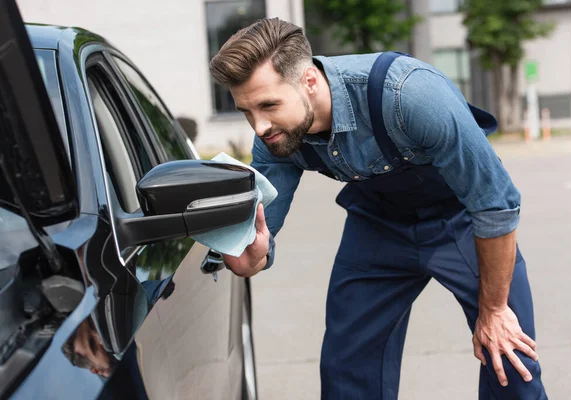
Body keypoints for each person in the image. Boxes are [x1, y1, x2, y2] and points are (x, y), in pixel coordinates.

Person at [210, 17, 547, 399]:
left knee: (510, 356)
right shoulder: (276, 137)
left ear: (309, 80)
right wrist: (249, 255)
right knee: (347, 371)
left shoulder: (408, 94)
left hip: (463, 220)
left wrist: (495, 309)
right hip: (378, 224)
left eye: (269, 105)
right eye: (246, 111)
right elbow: (259, 238)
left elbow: (495, 203)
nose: (259, 126)